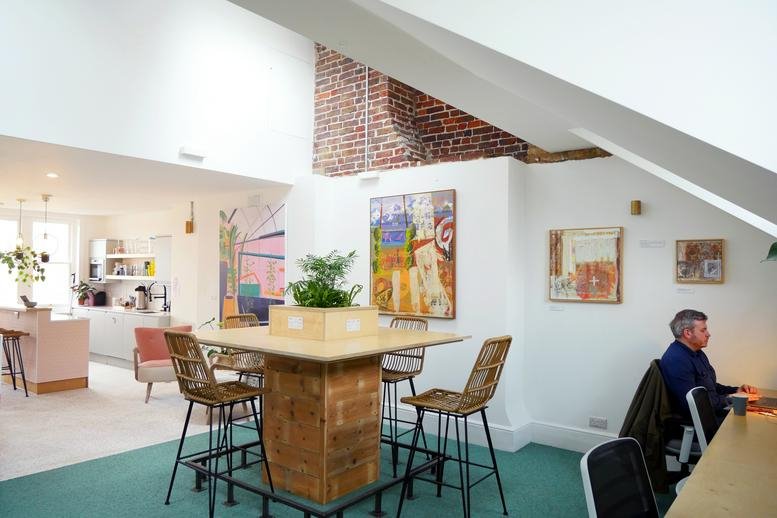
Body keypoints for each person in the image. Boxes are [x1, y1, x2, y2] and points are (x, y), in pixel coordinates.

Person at [660, 309, 757, 420]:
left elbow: (711, 387)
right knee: (753, 422)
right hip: (702, 421)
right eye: (703, 330)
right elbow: (695, 404)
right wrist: (732, 398)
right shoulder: (676, 360)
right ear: (687, 333)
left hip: (712, 411)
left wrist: (736, 391)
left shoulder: (697, 353)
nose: (708, 334)